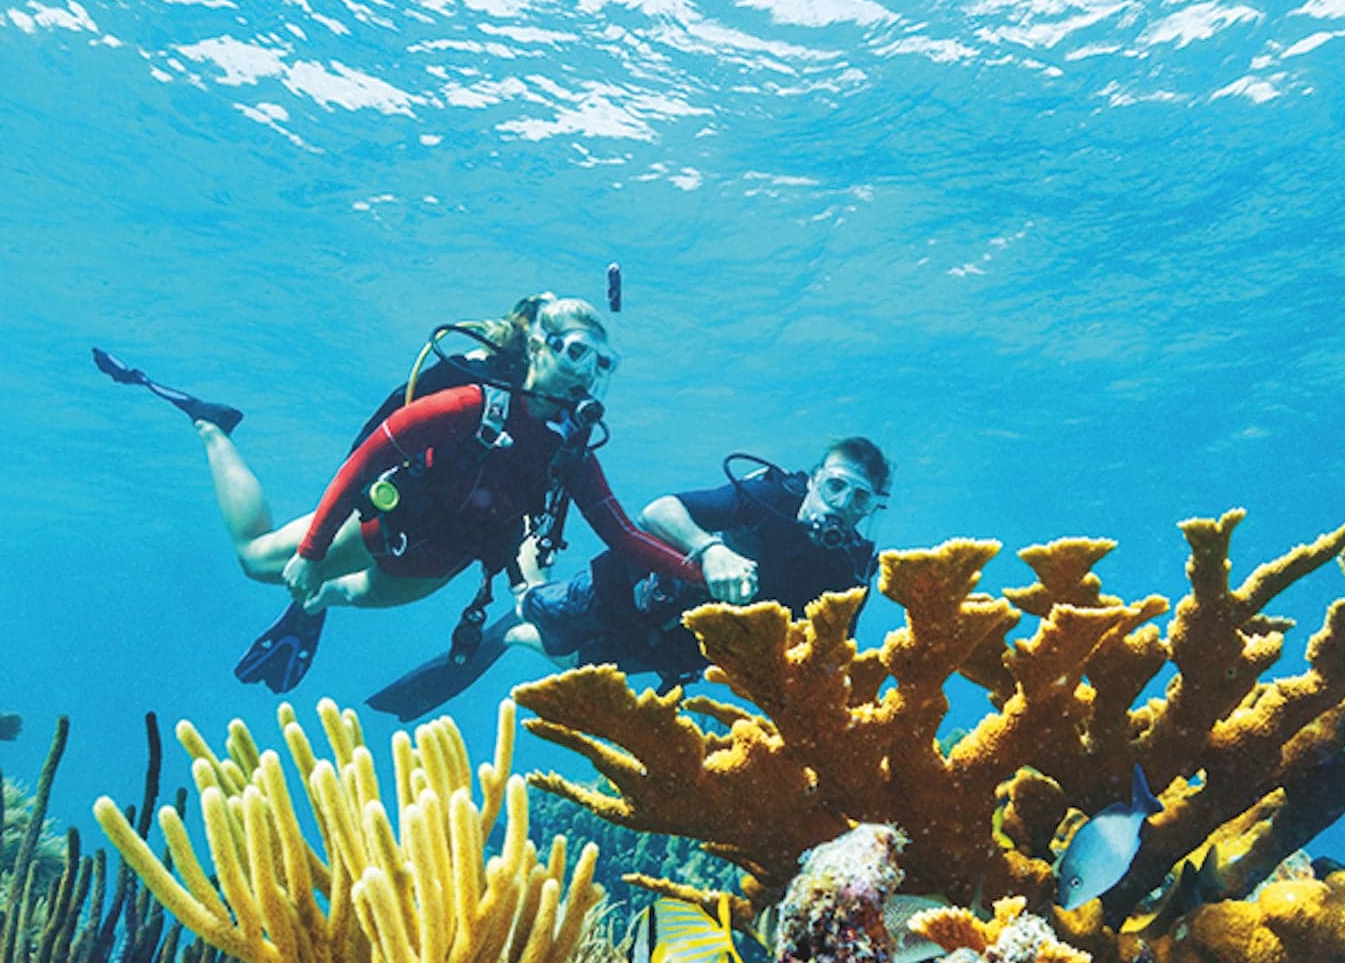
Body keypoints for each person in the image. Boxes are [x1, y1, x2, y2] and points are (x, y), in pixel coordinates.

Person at [117, 294, 700, 693]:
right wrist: (314, 550)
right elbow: (369, 457)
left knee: (333, 597)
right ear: (538, 345)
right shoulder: (475, 404)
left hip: (435, 568)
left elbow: (621, 535)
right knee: (253, 558)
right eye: (573, 352)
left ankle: (310, 604)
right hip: (378, 530)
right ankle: (211, 425)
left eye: (601, 364)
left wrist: (707, 571)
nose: (584, 374)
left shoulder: (569, 451)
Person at [369, 437, 892, 718]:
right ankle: (527, 561)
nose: (842, 507)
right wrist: (710, 550)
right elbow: (656, 512)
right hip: (627, 591)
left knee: (574, 663)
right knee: (537, 609)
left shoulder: (852, 568)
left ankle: (520, 621)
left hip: (678, 650)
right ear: (815, 479)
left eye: (861, 499)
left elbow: (832, 656)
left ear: (873, 509)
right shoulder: (766, 498)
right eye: (837, 487)